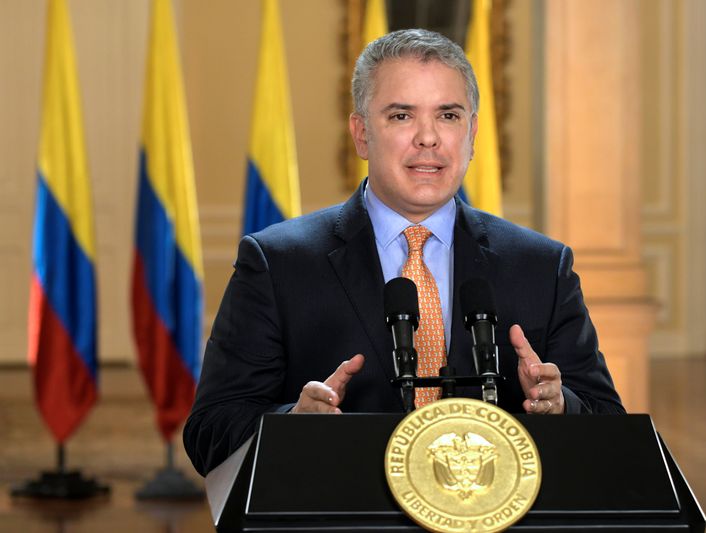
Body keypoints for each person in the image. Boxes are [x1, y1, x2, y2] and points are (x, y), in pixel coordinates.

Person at [184, 29, 624, 477]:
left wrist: (560, 405)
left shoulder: (541, 267)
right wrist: (292, 427)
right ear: (361, 134)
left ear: (471, 134)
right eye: (401, 116)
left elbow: (611, 427)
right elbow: (209, 433)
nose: (428, 138)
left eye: (448, 115)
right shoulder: (277, 263)